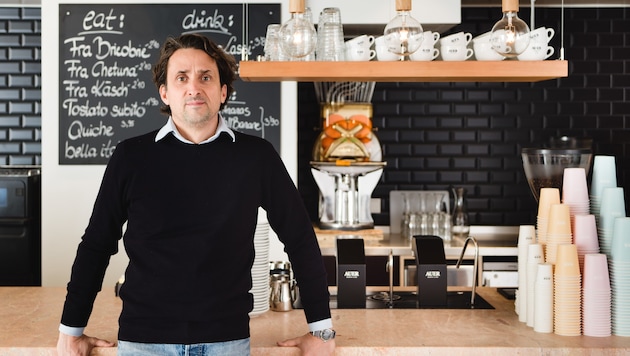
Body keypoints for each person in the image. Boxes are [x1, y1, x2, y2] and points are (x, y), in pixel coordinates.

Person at [56, 33, 335, 356]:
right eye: (181, 78)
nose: (194, 87)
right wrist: (71, 329)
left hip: (226, 342)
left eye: (206, 77)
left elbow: (299, 238)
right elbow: (96, 244)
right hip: (144, 341)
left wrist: (321, 330)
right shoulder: (130, 157)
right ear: (165, 93)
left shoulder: (256, 157)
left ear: (222, 92)